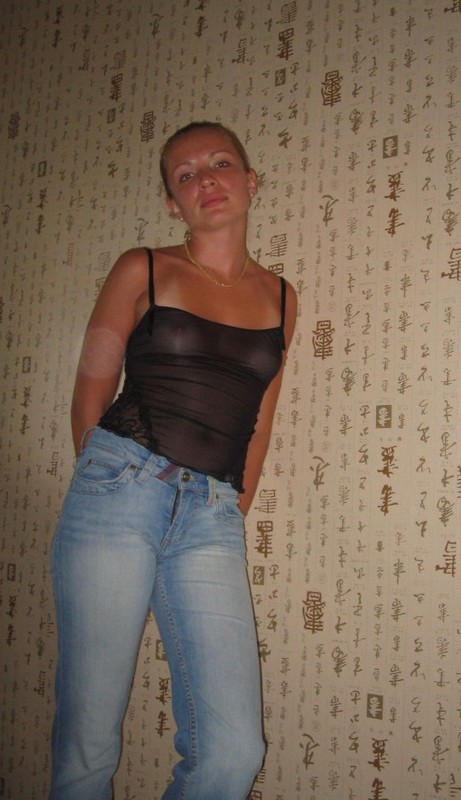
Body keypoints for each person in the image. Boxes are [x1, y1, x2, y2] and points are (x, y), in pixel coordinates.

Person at [49, 121, 297, 800]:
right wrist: (109, 481)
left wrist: (232, 506)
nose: (205, 179)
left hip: (211, 515)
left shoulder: (283, 297)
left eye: (221, 164)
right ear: (172, 202)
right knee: (89, 742)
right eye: (186, 175)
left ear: (251, 182)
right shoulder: (144, 267)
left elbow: (260, 417)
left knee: (234, 751)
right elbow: (92, 387)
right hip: (120, 488)